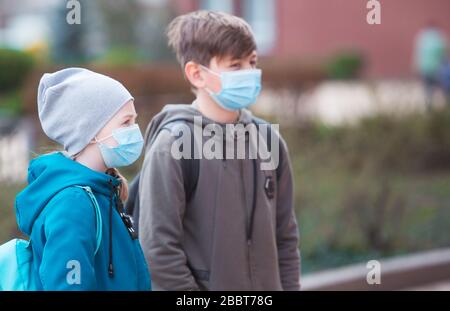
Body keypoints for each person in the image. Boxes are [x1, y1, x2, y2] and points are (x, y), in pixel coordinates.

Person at [137, 11, 300, 291]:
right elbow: (158, 251)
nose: (250, 74)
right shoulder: (173, 146)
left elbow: (285, 237)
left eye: (252, 62)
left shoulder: (269, 141)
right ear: (196, 73)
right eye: (235, 66)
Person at [14, 68, 151, 290]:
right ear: (90, 130)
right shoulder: (73, 203)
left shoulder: (105, 191)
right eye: (126, 122)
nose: (135, 130)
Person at [414, 22, 448, 110]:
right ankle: (446, 107)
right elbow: (444, 54)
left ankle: (429, 107)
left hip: (425, 69)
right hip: (437, 69)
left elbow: (418, 54)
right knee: (444, 88)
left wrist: (416, 68)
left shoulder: (422, 38)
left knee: (428, 89)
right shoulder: (439, 37)